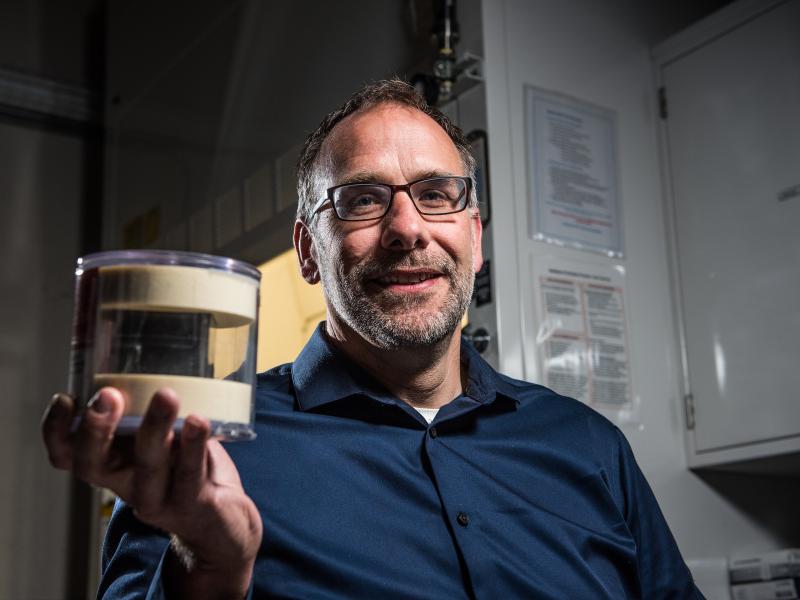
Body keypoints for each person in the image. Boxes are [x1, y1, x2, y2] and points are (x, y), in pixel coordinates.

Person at [42, 79, 704, 599]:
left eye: (437, 194)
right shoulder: (207, 451)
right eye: (361, 200)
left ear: (474, 235)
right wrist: (212, 570)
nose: (406, 228)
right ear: (308, 251)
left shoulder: (588, 448)